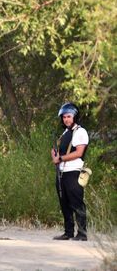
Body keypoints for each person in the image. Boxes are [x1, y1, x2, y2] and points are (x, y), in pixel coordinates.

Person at [51, 102, 89, 241]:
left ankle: (82, 233)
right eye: (64, 117)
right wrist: (54, 154)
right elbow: (58, 151)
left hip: (73, 172)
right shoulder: (65, 132)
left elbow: (79, 152)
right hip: (61, 173)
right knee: (64, 203)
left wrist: (60, 158)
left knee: (76, 203)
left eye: (68, 116)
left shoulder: (80, 132)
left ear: (75, 116)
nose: (66, 119)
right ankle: (68, 232)